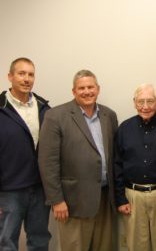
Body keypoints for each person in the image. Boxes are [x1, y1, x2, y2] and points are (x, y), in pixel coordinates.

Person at [38, 70, 118, 251]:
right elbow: (47, 162)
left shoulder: (109, 116)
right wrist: (56, 200)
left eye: (90, 87)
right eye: (81, 88)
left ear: (98, 89)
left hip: (104, 199)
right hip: (73, 202)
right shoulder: (56, 116)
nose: (87, 91)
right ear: (73, 91)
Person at [114, 83, 156, 251]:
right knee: (136, 245)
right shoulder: (124, 128)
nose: (145, 106)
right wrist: (120, 199)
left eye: (150, 101)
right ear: (134, 102)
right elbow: (117, 165)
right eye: (141, 101)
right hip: (133, 197)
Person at [0, 57, 51, 250]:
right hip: (8, 191)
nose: (26, 79)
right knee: (6, 242)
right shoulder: (1, 108)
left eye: (30, 74)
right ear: (10, 76)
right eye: (21, 74)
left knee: (40, 240)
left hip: (39, 188)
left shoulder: (44, 108)